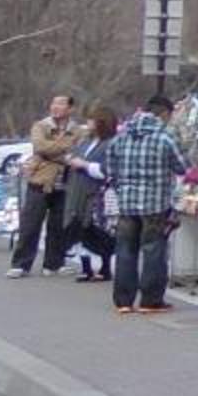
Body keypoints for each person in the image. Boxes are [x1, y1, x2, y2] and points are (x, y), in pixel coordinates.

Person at [99, 96, 189, 316]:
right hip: (156, 204)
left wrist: (123, 186)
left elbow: (108, 170)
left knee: (125, 250)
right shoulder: (165, 138)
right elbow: (182, 167)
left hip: (126, 204)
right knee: (153, 251)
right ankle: (151, 300)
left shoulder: (120, 138)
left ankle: (123, 301)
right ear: (164, 114)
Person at [7, 92, 80, 278]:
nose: (55, 107)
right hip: (40, 179)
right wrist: (65, 151)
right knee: (30, 224)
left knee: (58, 226)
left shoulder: (77, 129)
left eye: (61, 104)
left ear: (70, 108)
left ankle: (54, 264)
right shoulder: (40, 126)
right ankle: (21, 264)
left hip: (65, 182)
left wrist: (52, 151)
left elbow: (78, 150)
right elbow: (40, 147)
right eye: (53, 103)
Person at [62, 104, 119, 284]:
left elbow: (107, 170)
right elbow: (74, 154)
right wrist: (71, 159)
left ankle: (104, 266)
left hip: (96, 192)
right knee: (78, 228)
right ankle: (86, 267)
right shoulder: (86, 141)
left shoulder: (110, 143)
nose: (88, 123)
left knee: (97, 230)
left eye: (91, 120)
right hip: (77, 189)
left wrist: (84, 165)